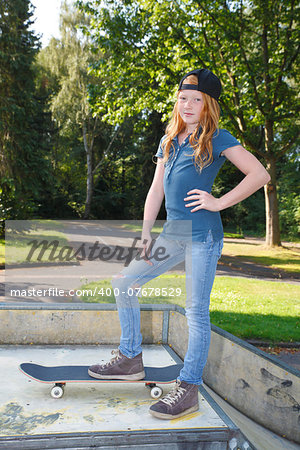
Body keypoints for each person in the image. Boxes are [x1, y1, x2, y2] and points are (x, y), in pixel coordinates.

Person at [88, 68, 270, 419]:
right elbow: (156, 189)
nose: (187, 104)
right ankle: (129, 358)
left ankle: (188, 388)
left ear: (208, 105)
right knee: (124, 282)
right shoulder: (169, 139)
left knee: (196, 313)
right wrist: (145, 232)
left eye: (196, 99)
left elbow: (260, 174)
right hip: (173, 235)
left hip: (203, 236)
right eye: (183, 97)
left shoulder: (217, 138)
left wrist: (218, 201)